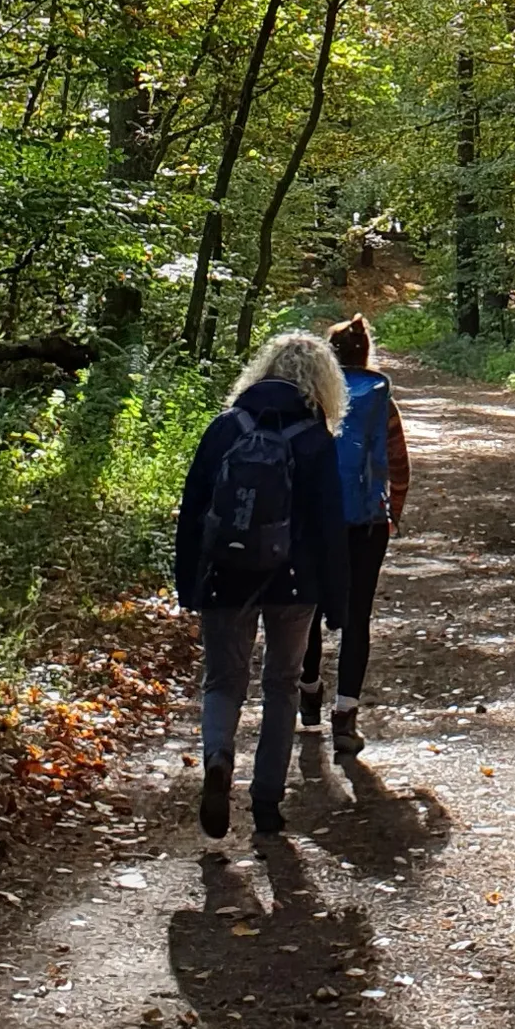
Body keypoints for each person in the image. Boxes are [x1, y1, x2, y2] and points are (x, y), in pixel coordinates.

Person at [174, 330, 349, 840]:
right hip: (294, 583)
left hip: (224, 575)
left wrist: (190, 582)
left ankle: (218, 758)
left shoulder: (226, 428)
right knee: (281, 683)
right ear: (321, 382)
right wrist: (337, 600)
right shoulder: (315, 438)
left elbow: (193, 511)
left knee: (222, 680)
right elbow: (329, 527)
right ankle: (267, 801)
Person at [301, 313, 411, 752]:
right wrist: (393, 511)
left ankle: (308, 693)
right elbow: (399, 462)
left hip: (315, 521)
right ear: (367, 353)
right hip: (366, 523)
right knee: (357, 617)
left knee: (307, 606)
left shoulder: (313, 398)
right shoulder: (380, 398)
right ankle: (345, 718)